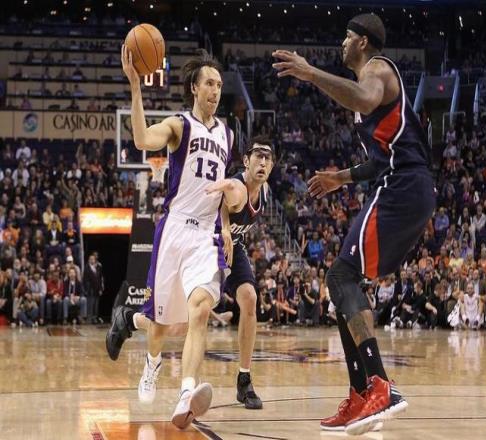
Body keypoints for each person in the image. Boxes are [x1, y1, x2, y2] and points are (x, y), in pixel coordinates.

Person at [273, 13, 435, 435]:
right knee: (343, 284)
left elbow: (363, 99)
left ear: (363, 41)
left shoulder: (377, 71)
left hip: (403, 186)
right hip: (405, 186)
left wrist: (310, 73)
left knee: (341, 276)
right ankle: (362, 393)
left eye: (347, 36)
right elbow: (377, 162)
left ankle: (380, 386)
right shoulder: (374, 89)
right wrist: (339, 178)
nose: (342, 43)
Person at [106, 46, 233, 430]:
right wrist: (135, 87)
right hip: (174, 229)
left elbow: (222, 187)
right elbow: (143, 139)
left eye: (219, 85)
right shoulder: (180, 125)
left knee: (199, 311)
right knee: (161, 326)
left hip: (206, 235)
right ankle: (151, 362)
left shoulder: (228, 133)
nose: (215, 90)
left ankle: (186, 393)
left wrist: (226, 225)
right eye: (209, 83)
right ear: (194, 87)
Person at [204, 136, 275, 409]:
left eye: (267, 158)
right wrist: (224, 227)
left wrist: (230, 234)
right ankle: (131, 320)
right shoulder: (239, 186)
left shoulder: (264, 190)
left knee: (250, 298)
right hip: (207, 242)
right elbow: (228, 195)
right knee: (183, 319)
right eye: (258, 156)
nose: (263, 162)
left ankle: (244, 379)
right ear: (246, 161)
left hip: (234, 245)